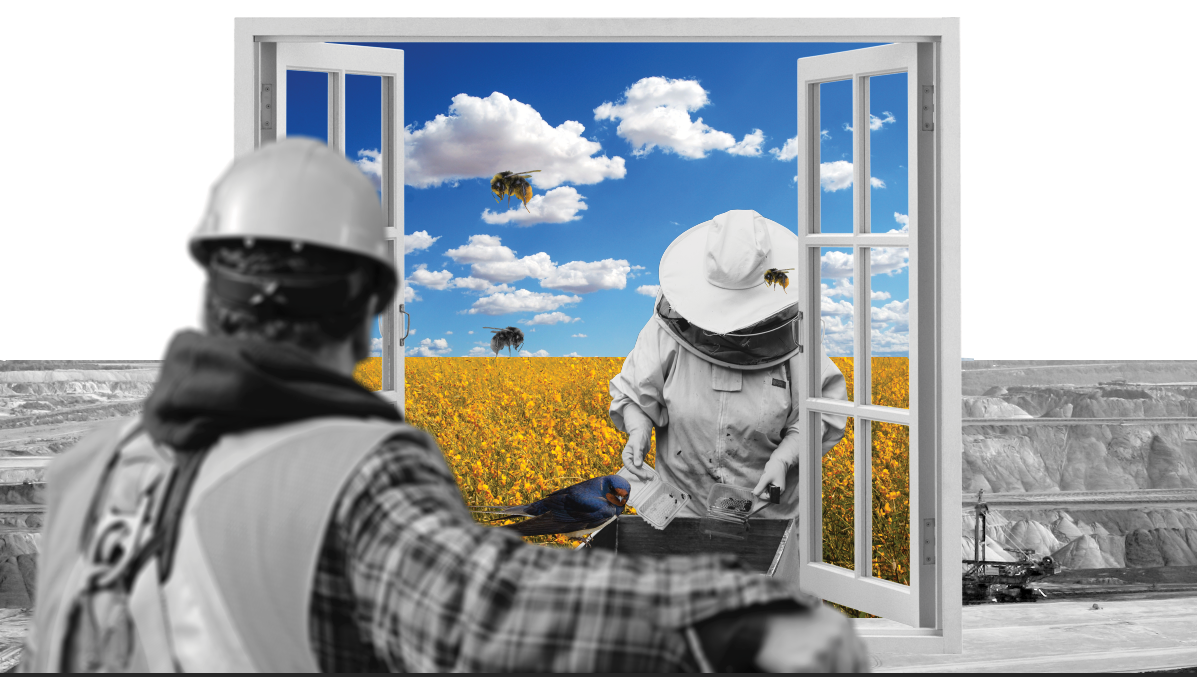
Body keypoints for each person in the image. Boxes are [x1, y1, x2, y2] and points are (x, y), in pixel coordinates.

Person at [20, 139, 868, 673]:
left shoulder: (90, 465)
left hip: (749, 512)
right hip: (680, 511)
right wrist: (739, 623)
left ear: (214, 293)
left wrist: (796, 447)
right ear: (368, 312)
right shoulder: (345, 476)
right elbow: (485, 614)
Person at [611, 209, 849, 519]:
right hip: (681, 510)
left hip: (767, 512)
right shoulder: (665, 334)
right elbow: (634, 395)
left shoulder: (795, 338)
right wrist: (638, 431)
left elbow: (817, 414)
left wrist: (783, 460)